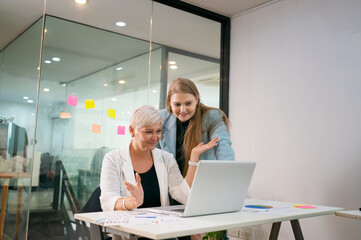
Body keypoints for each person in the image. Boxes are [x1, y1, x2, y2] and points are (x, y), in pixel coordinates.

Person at [100, 105, 219, 212]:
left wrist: (194, 158)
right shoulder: (113, 159)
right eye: (148, 132)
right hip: (129, 233)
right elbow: (107, 201)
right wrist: (131, 202)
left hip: (159, 230)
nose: (155, 137)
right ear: (132, 130)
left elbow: (183, 195)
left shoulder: (166, 158)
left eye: (158, 131)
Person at [158, 78, 235, 176]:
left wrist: (229, 173)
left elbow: (222, 144)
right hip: (171, 183)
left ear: (197, 99)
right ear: (169, 102)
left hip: (201, 181)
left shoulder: (212, 117)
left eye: (188, 103)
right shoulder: (161, 118)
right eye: (177, 104)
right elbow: (154, 154)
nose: (183, 109)